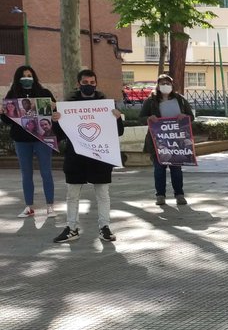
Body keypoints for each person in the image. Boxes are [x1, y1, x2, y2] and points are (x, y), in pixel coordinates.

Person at [51, 69, 125, 243]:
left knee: (103, 194)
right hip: (76, 157)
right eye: (85, 83)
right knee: (72, 194)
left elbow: (118, 132)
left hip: (100, 157)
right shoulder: (68, 105)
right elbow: (60, 135)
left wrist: (117, 118)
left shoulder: (106, 104)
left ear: (96, 83)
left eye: (92, 83)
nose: (89, 86)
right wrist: (56, 121)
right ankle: (71, 227)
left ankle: (104, 227)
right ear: (78, 84)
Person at [2, 65, 56, 218]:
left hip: (42, 139)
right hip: (21, 140)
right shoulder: (12, 94)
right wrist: (3, 112)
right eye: (24, 75)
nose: (27, 78)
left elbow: (55, 115)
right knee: (26, 174)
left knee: (46, 172)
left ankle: (50, 206)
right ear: (18, 78)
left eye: (30, 75)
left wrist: (55, 106)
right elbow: (7, 121)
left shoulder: (44, 93)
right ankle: (28, 206)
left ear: (34, 77)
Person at [140, 74, 195, 207]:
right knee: (159, 169)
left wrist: (185, 116)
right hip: (157, 140)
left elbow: (191, 117)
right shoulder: (151, 101)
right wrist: (149, 118)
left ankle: (179, 194)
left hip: (177, 140)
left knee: (176, 169)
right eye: (162, 83)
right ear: (158, 86)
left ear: (172, 85)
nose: (165, 86)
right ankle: (160, 195)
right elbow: (141, 117)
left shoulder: (180, 100)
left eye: (168, 83)